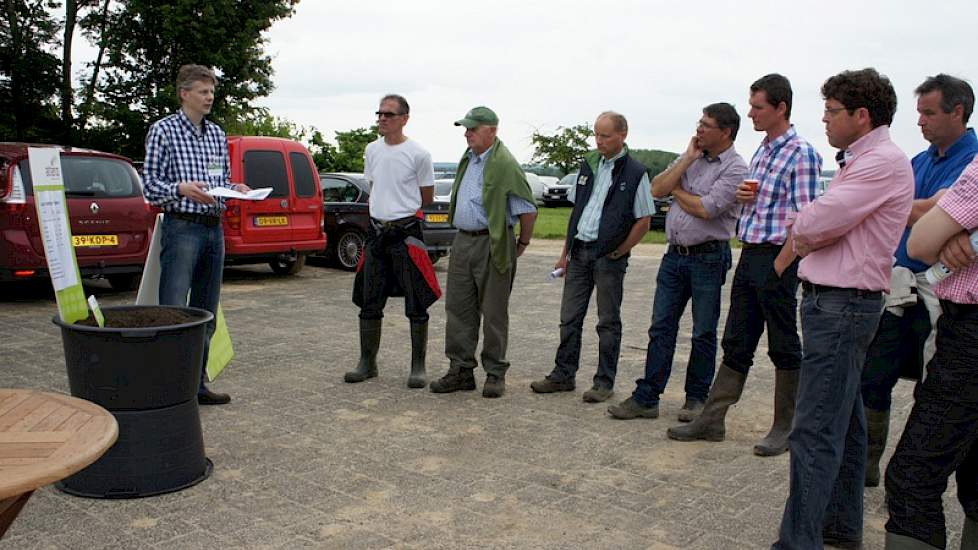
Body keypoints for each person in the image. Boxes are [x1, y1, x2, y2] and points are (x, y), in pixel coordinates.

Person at [772, 68, 914, 549]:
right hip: (837, 305)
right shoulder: (862, 160)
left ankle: (798, 542)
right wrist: (808, 222)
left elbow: (817, 223)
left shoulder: (881, 162)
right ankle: (839, 526)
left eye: (832, 112)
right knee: (845, 423)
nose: (825, 120)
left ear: (862, 115)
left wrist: (803, 222)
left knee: (812, 432)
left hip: (843, 305)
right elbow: (818, 222)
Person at [667, 74, 822, 456]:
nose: (750, 113)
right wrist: (743, 197)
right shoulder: (764, 150)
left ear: (780, 108)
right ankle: (713, 418)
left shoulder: (800, 152)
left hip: (777, 259)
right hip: (750, 253)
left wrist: (781, 267)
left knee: (784, 344)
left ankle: (786, 426)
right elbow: (766, 204)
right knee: (736, 339)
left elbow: (806, 218)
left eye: (758, 107)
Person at [860, 74, 978, 487]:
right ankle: (866, 466)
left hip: (947, 292)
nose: (921, 122)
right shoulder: (920, 160)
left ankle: (924, 473)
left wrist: (905, 207)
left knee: (936, 387)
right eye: (919, 114)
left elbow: (925, 213)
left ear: (957, 112)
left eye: (929, 113)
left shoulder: (974, 159)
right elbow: (909, 211)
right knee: (874, 374)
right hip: (900, 284)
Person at [607, 103, 746, 421]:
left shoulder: (736, 168)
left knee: (703, 331)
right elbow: (656, 189)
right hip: (674, 258)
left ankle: (696, 399)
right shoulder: (691, 158)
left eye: (706, 124)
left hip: (709, 257)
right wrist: (686, 160)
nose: (699, 129)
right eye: (699, 122)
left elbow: (707, 209)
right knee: (661, 328)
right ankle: (647, 398)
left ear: (725, 132)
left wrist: (677, 190)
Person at [143, 64, 251, 406]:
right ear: (184, 93)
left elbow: (220, 180)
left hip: (213, 230)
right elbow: (149, 186)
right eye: (204, 92)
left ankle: (197, 384)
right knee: (174, 310)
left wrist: (236, 189)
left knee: (206, 311)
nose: (210, 98)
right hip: (182, 228)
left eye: (212, 92)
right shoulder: (163, 131)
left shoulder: (217, 134)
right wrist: (181, 189)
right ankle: (169, 388)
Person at [885, 156, 978, 550]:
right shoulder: (922, 160)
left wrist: (945, 225)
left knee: (912, 477)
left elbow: (920, 242)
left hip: (970, 336)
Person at [529, 111, 654, 403]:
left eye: (605, 135)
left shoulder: (636, 172)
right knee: (569, 317)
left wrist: (621, 251)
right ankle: (563, 374)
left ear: (622, 135)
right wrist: (565, 254)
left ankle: (603, 382)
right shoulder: (588, 166)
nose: (599, 141)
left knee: (607, 321)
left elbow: (644, 220)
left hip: (608, 257)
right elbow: (577, 212)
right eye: (596, 134)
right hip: (579, 252)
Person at [429, 106, 537, 398]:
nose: (467, 134)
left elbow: (527, 209)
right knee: (459, 308)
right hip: (463, 240)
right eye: (466, 129)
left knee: (493, 312)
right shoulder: (469, 159)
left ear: (492, 131)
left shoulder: (505, 164)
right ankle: (461, 370)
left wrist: (522, 244)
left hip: (493, 241)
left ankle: (495, 373)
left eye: (472, 129)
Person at [346, 94, 439, 388]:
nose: (382, 119)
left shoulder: (419, 154)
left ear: (404, 119)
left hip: (406, 235)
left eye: (388, 114)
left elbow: (426, 197)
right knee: (369, 300)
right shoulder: (372, 150)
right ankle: (367, 362)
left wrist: (401, 214)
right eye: (379, 114)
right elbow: (374, 187)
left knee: (416, 301)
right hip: (376, 235)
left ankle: (418, 366)